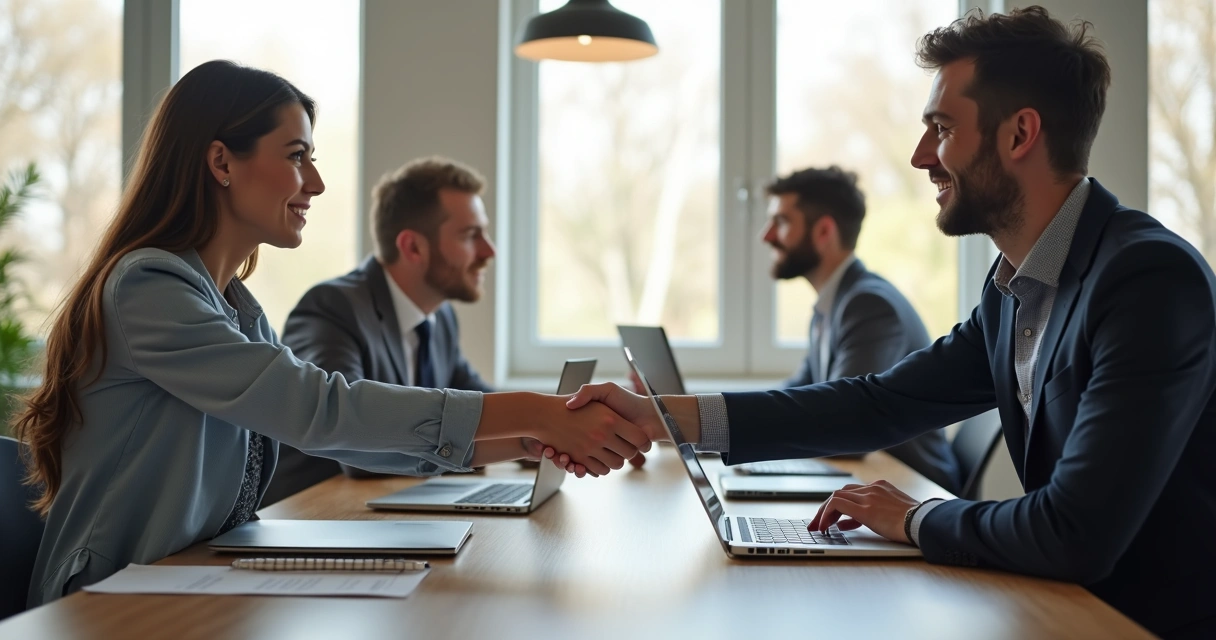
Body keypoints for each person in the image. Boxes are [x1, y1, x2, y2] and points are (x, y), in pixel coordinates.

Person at [568, 7, 1216, 638]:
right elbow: (877, 403)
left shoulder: (1148, 281)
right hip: (1062, 608)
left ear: (1019, 135)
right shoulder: (1012, 293)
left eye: (940, 128)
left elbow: (1077, 532)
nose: (919, 156)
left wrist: (913, 517)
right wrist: (662, 418)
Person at [10, 60, 648, 606]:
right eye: (296, 158)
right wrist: (534, 413)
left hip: (187, 577)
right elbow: (318, 409)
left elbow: (341, 430)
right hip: (107, 602)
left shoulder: (235, 304)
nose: (314, 183)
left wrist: (520, 435)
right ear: (221, 162)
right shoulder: (148, 288)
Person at [264, 157, 496, 504]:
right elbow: (351, 441)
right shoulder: (332, 308)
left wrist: (544, 430)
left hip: (385, 510)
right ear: (413, 247)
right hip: (318, 521)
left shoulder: (440, 318)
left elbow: (479, 402)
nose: (488, 251)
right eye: (469, 235)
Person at [762, 166, 958, 492]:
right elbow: (793, 398)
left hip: (914, 492)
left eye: (781, 222)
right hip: (874, 483)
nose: (766, 235)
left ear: (824, 231)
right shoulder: (832, 306)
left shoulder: (869, 306)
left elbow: (847, 432)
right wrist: (704, 421)